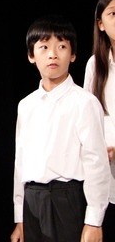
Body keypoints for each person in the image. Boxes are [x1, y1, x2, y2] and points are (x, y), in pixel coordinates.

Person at [10, 14, 110, 242]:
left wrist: (94, 221)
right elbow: (20, 162)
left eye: (62, 46)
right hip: (32, 201)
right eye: (44, 47)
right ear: (31, 55)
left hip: (67, 200)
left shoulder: (84, 102)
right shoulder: (26, 105)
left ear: (73, 54)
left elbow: (96, 163)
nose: (53, 54)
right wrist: (20, 218)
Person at [83, 0, 115, 241]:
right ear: (100, 24)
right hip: (108, 177)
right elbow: (88, 120)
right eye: (113, 14)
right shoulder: (95, 65)